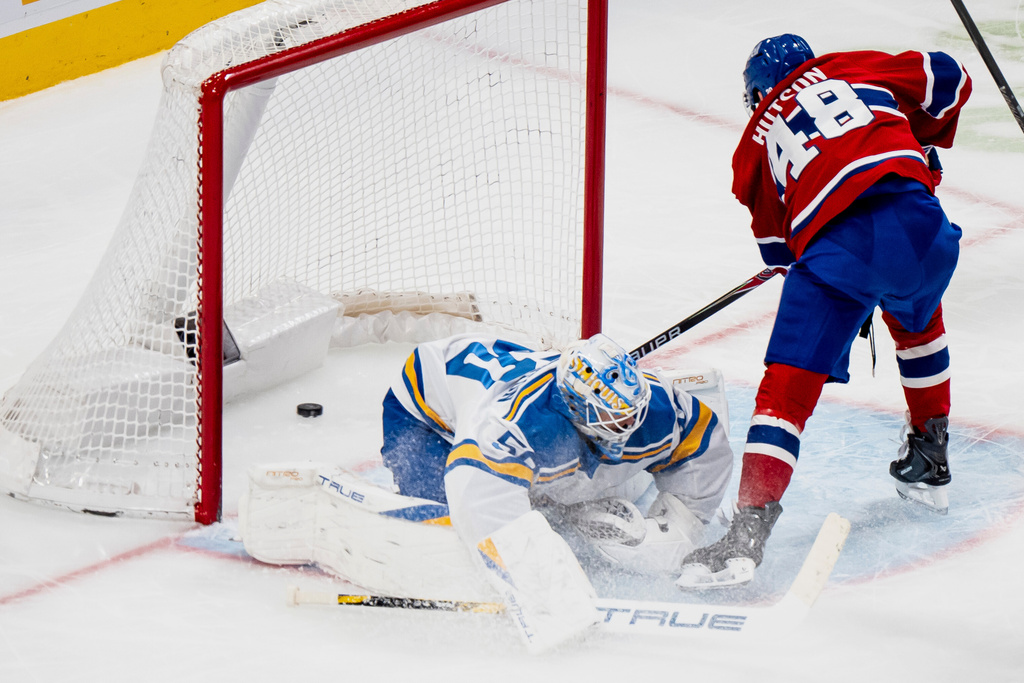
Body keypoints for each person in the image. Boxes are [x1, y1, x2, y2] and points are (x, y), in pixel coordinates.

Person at [677, 35, 972, 589]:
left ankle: (747, 532)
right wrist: (919, 142)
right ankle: (930, 457)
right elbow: (951, 77)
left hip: (841, 254)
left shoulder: (752, 148)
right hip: (924, 229)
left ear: (756, 94)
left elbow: (782, 254)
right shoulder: (850, 66)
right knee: (918, 322)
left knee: (785, 392)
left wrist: (847, 287)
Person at [240, 331, 733, 651]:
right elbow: (479, 503)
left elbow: (705, 451)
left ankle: (553, 502)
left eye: (630, 415)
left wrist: (681, 530)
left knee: (553, 479)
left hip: (516, 411)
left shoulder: (657, 406)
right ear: (569, 407)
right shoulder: (512, 424)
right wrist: (547, 598)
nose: (625, 426)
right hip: (429, 419)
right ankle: (547, 504)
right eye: (611, 418)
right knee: (452, 537)